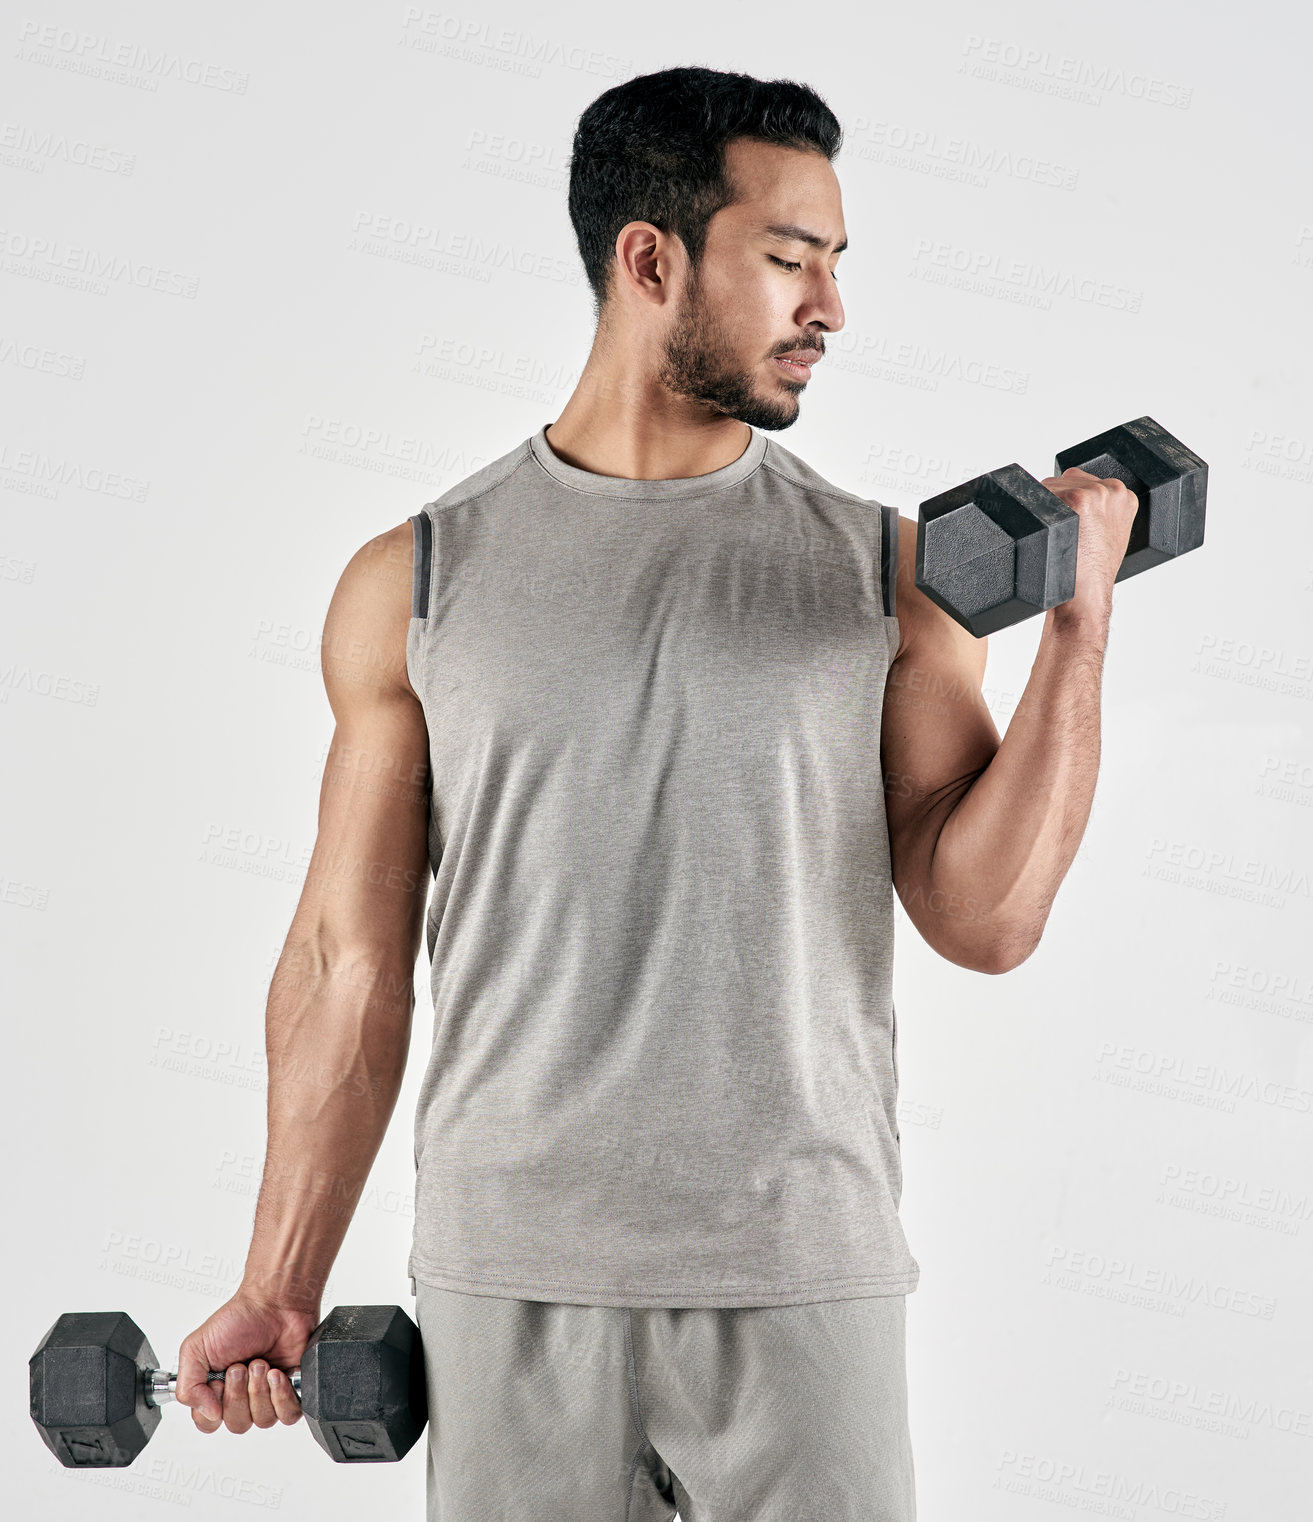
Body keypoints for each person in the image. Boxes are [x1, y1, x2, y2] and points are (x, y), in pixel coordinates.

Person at [176, 65, 1136, 1520]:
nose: (828, 307)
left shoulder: (885, 575)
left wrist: (1078, 624)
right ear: (650, 259)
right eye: (785, 257)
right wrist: (278, 1276)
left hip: (798, 1274)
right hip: (515, 1281)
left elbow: (985, 919)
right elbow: (342, 964)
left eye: (834, 262)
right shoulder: (419, 583)